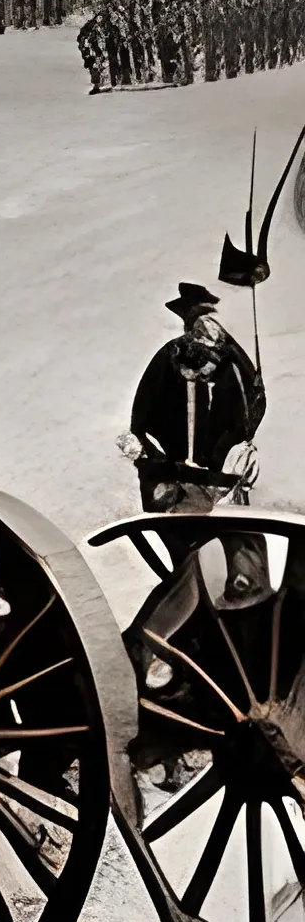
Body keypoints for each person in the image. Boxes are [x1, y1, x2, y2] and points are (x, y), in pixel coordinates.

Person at [122, 283, 269, 671]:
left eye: (205, 370)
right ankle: (157, 646)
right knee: (191, 567)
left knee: (242, 560)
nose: (199, 376)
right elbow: (142, 428)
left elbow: (252, 414)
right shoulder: (165, 365)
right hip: (175, 486)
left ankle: (245, 641)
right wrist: (157, 475)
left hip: (221, 485)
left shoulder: (233, 371)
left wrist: (241, 456)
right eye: (192, 369)